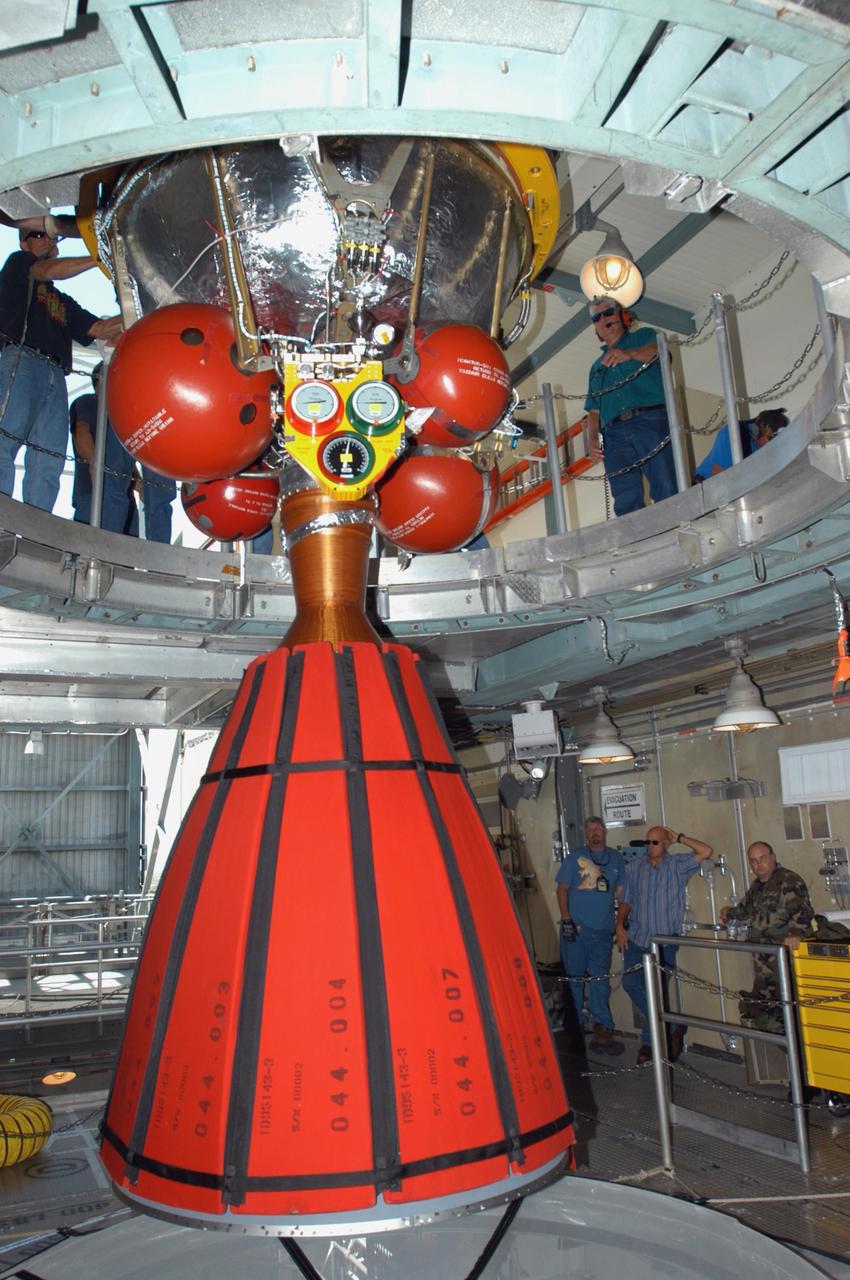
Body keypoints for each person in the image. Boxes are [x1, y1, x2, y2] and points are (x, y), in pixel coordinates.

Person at [0, 222, 122, 512]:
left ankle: (36, 532)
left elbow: (102, 329)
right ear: (23, 244)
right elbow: (47, 271)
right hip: (22, 358)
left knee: (49, 458)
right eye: (38, 235)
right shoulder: (20, 264)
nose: (47, 240)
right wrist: (102, 258)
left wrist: (146, 312)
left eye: (52, 237)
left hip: (56, 373)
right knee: (5, 441)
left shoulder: (61, 301)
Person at [616, 825, 713, 1063]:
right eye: (647, 843)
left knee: (655, 991)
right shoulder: (635, 868)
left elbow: (706, 851)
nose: (650, 847)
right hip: (637, 939)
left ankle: (649, 1045)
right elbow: (626, 900)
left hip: (664, 942)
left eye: (655, 842)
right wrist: (619, 926)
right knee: (630, 983)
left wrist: (679, 836)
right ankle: (671, 1028)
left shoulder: (677, 865)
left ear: (666, 843)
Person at [582, 297, 677, 517]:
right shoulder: (596, 367)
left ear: (622, 315)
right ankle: (637, 544)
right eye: (598, 317)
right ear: (595, 327)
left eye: (609, 313)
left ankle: (676, 527)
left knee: (664, 482)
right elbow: (594, 410)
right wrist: (593, 439)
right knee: (624, 496)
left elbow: (663, 353)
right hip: (613, 434)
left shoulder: (644, 337)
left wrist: (630, 354)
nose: (604, 319)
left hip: (649, 420)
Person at [720, 840, 814, 1033]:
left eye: (762, 859)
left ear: (773, 858)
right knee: (759, 1012)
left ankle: (800, 1057)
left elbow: (803, 913)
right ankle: (792, 1052)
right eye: (753, 861)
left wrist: (795, 934)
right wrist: (729, 912)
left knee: (793, 1014)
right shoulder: (757, 887)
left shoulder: (788, 881)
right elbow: (745, 910)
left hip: (785, 963)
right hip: (764, 966)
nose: (758, 865)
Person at [556, 816, 625, 1055]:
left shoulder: (616, 860)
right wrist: (566, 919)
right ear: (586, 835)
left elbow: (623, 895)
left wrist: (620, 924)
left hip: (602, 932)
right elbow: (562, 888)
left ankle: (602, 1027)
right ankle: (574, 1028)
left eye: (598, 829)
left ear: (605, 832)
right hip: (575, 929)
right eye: (590, 830)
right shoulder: (575, 858)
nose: (594, 833)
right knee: (574, 979)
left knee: (599, 980)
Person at [70, 363, 138, 535]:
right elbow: (81, 431)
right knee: (89, 550)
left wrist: (141, 487)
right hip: (92, 492)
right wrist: (95, 463)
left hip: (125, 501)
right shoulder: (88, 402)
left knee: (123, 557)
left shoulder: (121, 412)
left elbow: (125, 460)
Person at [694, 408, 788, 480]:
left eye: (769, 439)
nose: (765, 442)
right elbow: (719, 476)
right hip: (705, 486)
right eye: (765, 436)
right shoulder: (732, 433)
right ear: (757, 426)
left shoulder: (761, 450)